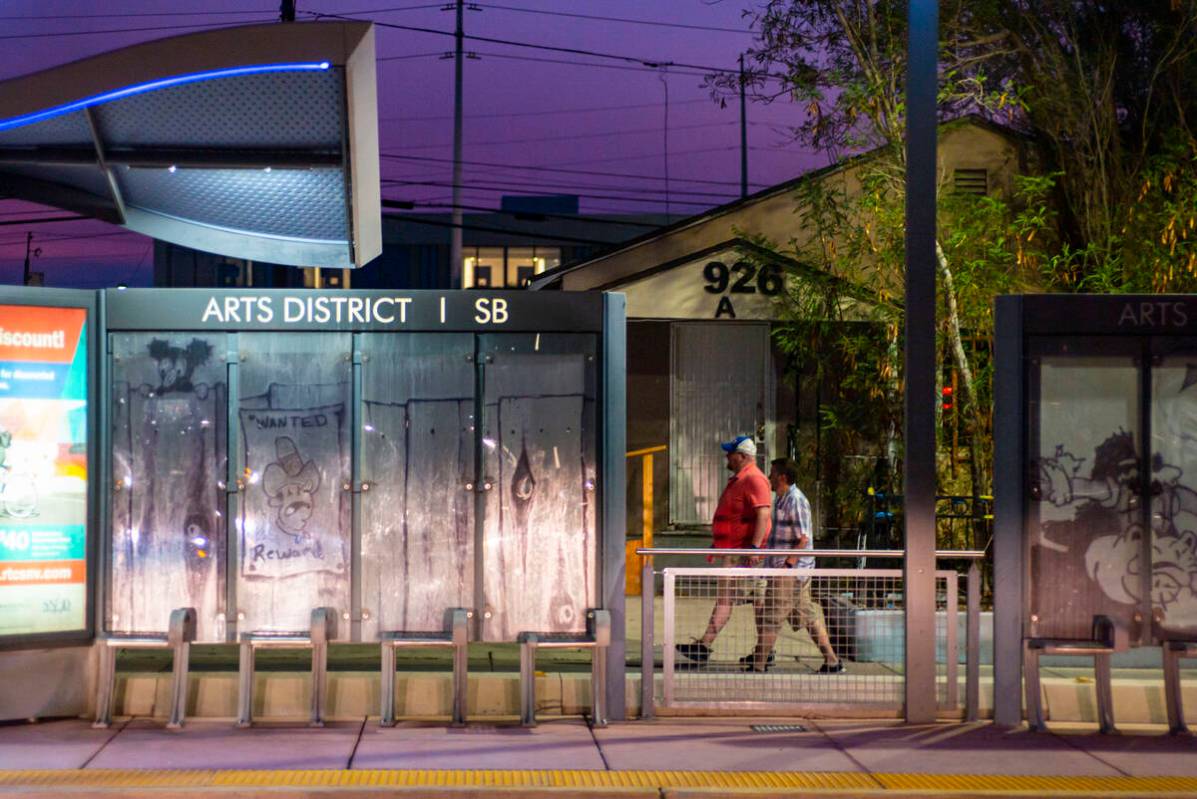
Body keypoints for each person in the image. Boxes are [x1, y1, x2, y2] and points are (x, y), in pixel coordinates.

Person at [675, 435, 772, 664]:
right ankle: (705, 645)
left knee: (756, 602)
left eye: (730, 453)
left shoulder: (754, 479)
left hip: (745, 554)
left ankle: (764, 651)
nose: (727, 457)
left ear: (743, 456)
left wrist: (754, 549)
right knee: (727, 599)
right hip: (735, 552)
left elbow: (763, 514)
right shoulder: (741, 479)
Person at [743, 457, 843, 673]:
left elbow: (803, 538)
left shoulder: (795, 500)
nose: (768, 478)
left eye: (772, 473)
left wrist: (788, 566)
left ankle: (759, 665)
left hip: (790, 572)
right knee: (806, 615)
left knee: (771, 617)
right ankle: (832, 661)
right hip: (790, 569)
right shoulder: (782, 499)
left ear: (782, 477)